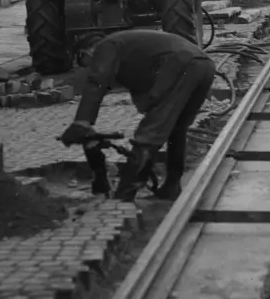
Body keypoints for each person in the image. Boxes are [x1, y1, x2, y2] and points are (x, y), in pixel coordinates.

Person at [58, 29, 215, 202]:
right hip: (204, 66)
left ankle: (124, 196)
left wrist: (82, 121)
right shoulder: (130, 52)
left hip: (181, 66)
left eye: (85, 62)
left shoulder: (106, 45)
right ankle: (172, 187)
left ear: (86, 51)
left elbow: (97, 81)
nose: (88, 67)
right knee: (176, 129)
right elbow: (144, 89)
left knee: (149, 135)